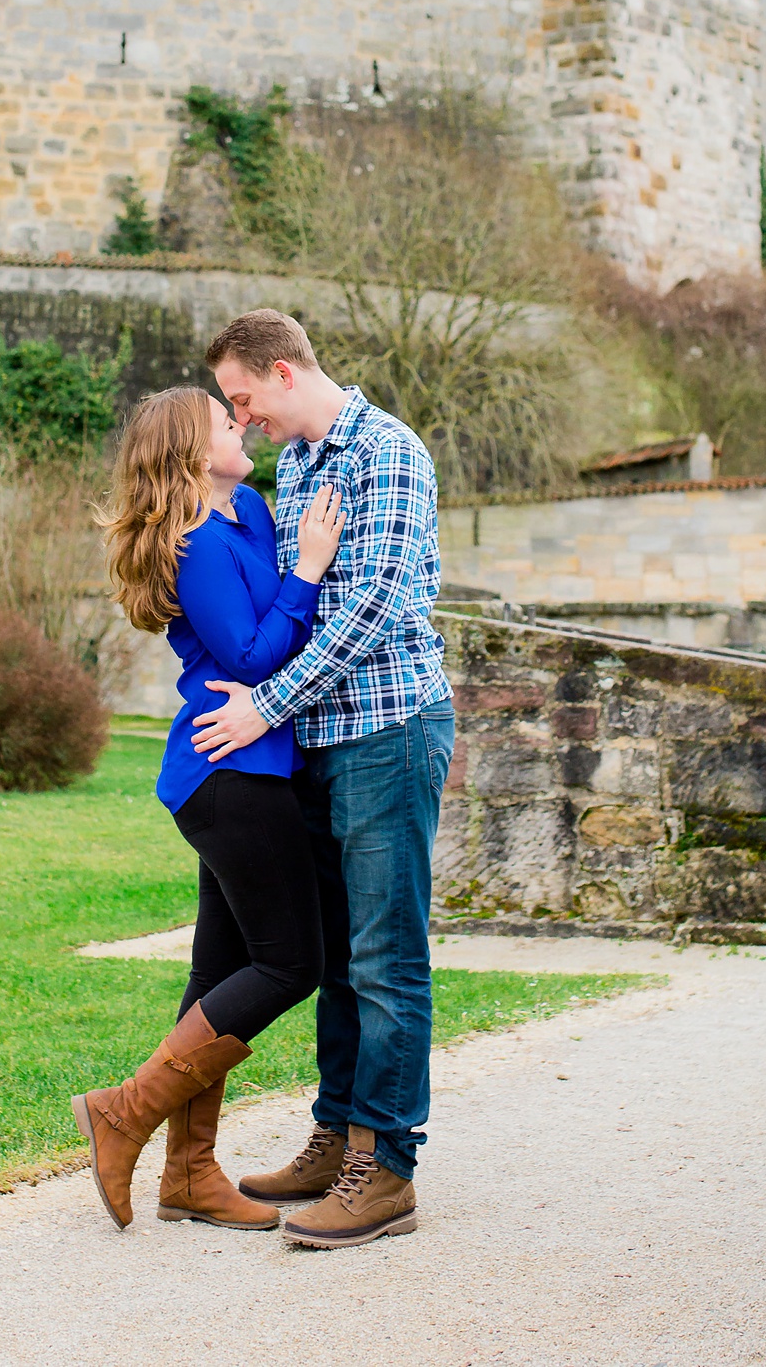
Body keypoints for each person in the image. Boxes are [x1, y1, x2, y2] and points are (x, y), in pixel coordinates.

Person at [192, 309, 454, 1250]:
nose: (240, 415)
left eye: (241, 396)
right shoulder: (298, 467)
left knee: (387, 958)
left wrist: (265, 704)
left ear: (281, 371)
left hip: (389, 729)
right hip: (321, 744)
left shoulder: (388, 450)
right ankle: (337, 1130)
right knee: (342, 956)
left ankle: (384, 1170)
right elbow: (291, 604)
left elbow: (374, 608)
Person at [73, 385, 345, 1234]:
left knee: (216, 980)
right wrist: (307, 571)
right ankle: (123, 1112)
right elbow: (253, 654)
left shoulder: (251, 513)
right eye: (228, 422)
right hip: (227, 772)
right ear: (195, 453)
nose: (243, 426)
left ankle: (188, 1174)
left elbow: (270, 644)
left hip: (258, 767)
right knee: (290, 965)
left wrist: (292, 573)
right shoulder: (193, 546)